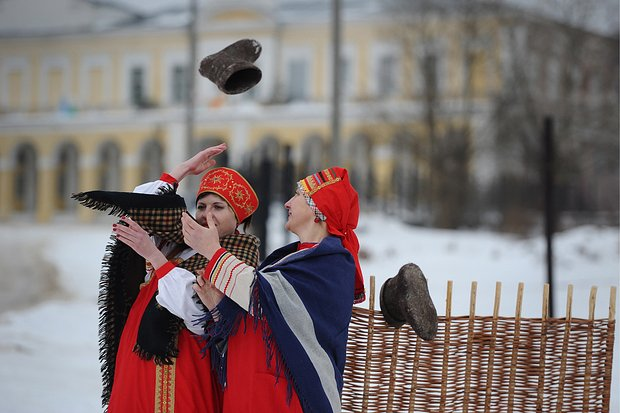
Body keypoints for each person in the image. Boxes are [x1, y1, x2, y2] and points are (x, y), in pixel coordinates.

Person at [176, 166, 365, 413]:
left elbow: (264, 297)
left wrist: (212, 250)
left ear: (318, 212)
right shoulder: (292, 258)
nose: (287, 203)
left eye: (297, 195)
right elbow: (265, 315)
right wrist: (218, 307)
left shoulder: (332, 264)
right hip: (255, 392)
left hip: (286, 399)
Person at [100, 143, 261, 412]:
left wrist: (153, 255)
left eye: (218, 207)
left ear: (238, 218)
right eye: (201, 206)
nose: (206, 215)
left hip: (184, 359)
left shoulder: (238, 254)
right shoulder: (181, 238)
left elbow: (198, 311)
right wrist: (181, 171)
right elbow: (141, 206)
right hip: (139, 348)